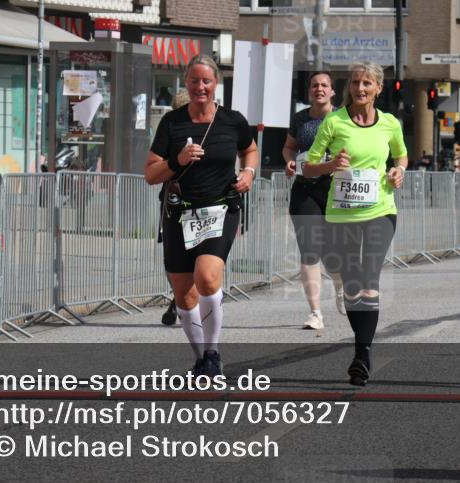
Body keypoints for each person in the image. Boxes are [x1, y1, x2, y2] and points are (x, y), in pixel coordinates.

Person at [145, 56, 258, 378]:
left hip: (220, 209)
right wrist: (177, 160)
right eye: (194, 81)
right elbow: (151, 174)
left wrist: (248, 172)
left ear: (216, 84)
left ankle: (212, 350)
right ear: (186, 83)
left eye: (206, 81)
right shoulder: (172, 123)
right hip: (179, 213)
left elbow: (249, 149)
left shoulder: (232, 121)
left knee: (207, 277)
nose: (200, 87)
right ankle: (202, 359)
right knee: (184, 293)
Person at [303, 62, 408, 386]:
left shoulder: (390, 124)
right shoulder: (334, 122)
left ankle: (362, 353)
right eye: (355, 83)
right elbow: (308, 167)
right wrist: (331, 165)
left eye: (367, 83)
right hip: (342, 213)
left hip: (380, 209)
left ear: (378, 88)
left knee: (368, 278)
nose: (360, 89)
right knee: (351, 285)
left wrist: (398, 171)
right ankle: (361, 344)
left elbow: (401, 156)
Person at [282, 71, 345, 329]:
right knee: (309, 250)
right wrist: (288, 160)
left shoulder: (343, 117)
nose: (319, 89)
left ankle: (340, 284)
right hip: (305, 189)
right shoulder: (300, 119)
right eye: (315, 85)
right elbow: (289, 147)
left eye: (324, 85)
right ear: (310, 91)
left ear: (332, 91)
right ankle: (315, 313)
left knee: (331, 255)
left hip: (334, 189)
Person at [160, 89, 193, 327]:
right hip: (171, 199)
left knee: (190, 256)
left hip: (197, 201)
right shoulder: (169, 131)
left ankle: (183, 300)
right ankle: (179, 298)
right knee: (173, 258)